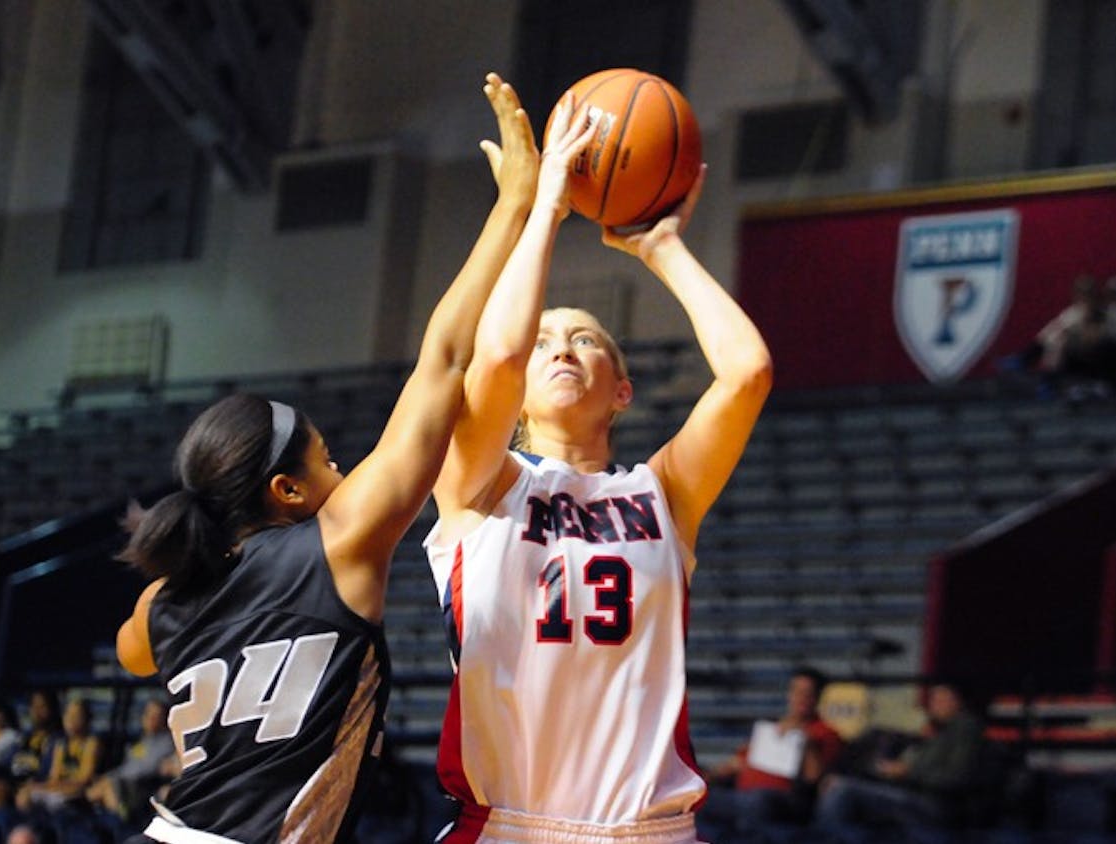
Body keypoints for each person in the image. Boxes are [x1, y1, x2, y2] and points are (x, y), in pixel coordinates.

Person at [112, 73, 593, 844]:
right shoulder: (338, 540)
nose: (343, 474)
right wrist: (516, 205)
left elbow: (131, 653)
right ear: (288, 490)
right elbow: (440, 358)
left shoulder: (163, 604)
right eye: (329, 460)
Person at [423, 121, 773, 839]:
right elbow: (492, 360)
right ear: (520, 387)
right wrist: (545, 209)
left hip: (649, 830)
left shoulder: (662, 494)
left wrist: (663, 248)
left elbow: (747, 373)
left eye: (585, 339)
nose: (562, 349)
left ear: (622, 390)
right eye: (546, 341)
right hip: (510, 826)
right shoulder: (479, 485)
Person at [814, 682, 985, 830]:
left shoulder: (965, 728)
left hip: (934, 805)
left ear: (958, 702)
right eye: (933, 700)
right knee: (836, 781)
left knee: (842, 790)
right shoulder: (937, 733)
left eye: (942, 700)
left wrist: (907, 772)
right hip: (911, 793)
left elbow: (956, 777)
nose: (934, 705)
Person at [701, 668, 844, 829]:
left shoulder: (824, 733)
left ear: (817, 698)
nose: (801, 698)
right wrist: (711, 775)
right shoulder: (770, 730)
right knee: (698, 797)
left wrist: (807, 744)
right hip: (743, 793)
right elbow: (737, 763)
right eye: (796, 692)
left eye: (807, 693)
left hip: (782, 799)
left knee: (756, 801)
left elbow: (815, 779)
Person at [85, 698, 174, 820]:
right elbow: (129, 766)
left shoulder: (166, 742)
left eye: (156, 716)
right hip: (125, 783)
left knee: (108, 785)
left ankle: (121, 822)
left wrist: (116, 776)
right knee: (102, 785)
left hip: (142, 787)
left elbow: (148, 768)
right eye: (148, 714)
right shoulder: (142, 741)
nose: (150, 719)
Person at [18, 698, 100, 811]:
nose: (70, 720)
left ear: (86, 719)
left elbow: (83, 781)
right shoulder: (61, 744)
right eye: (67, 715)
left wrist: (50, 787)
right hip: (58, 790)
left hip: (78, 795)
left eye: (76, 716)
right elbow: (54, 777)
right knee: (24, 794)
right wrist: (39, 787)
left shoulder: (91, 743)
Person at [11, 690, 61, 798]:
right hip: (14, 783)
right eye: (34, 706)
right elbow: (10, 762)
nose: (37, 711)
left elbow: (50, 773)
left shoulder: (57, 739)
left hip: (39, 787)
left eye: (42, 707)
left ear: (52, 709)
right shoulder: (23, 737)